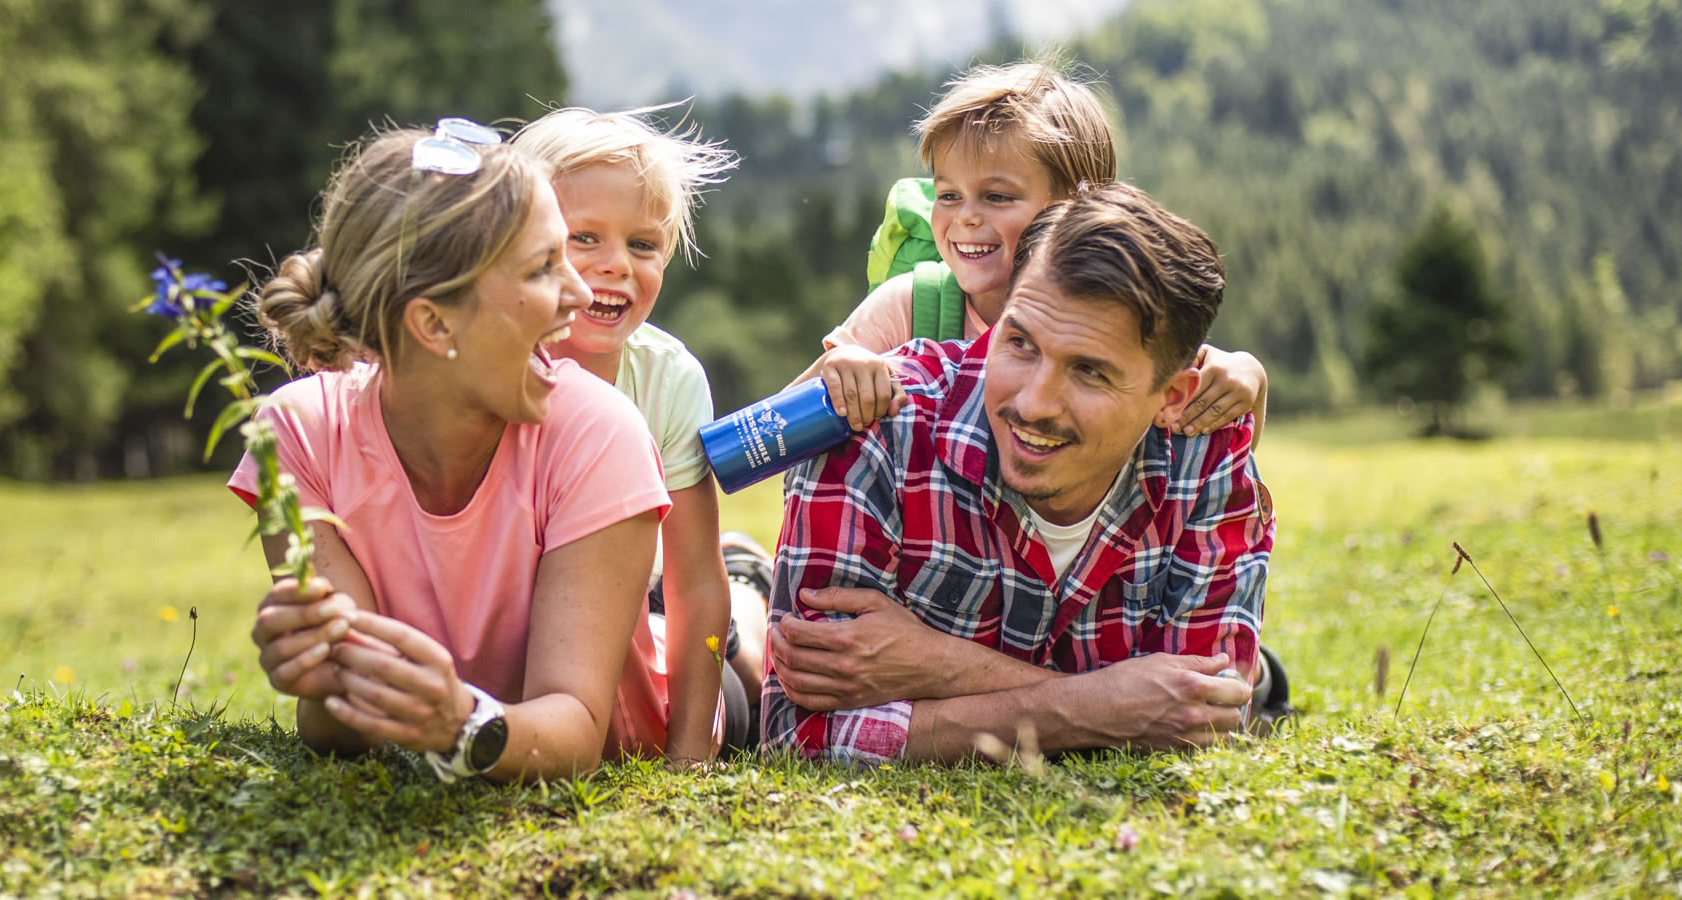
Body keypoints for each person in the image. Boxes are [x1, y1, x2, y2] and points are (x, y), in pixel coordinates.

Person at [762, 182, 1290, 762]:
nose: (1035, 402)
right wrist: (1104, 706)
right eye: (1019, 343)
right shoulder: (875, 425)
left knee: (1250, 685)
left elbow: (1200, 718)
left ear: (1172, 396)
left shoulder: (1206, 449)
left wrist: (939, 665)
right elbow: (798, 736)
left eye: (1089, 372)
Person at [232, 122, 680, 782]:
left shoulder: (601, 432)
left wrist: (459, 722)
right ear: (434, 324)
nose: (580, 294)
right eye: (542, 268)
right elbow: (345, 715)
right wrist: (323, 680)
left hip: (644, 711)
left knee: (740, 671)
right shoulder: (299, 437)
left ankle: (744, 596)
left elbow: (578, 730)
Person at [796, 60, 1269, 440]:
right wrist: (838, 373)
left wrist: (1249, 377)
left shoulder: (1118, 318)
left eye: (997, 196)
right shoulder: (906, 307)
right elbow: (766, 433)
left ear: (1077, 205)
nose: (965, 217)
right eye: (948, 195)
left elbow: (1218, 455)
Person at [511, 106, 771, 760]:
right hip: (582, 614)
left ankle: (752, 590)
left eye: (643, 245)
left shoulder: (668, 379)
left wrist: (689, 755)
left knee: (744, 692)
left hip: (647, 613)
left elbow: (693, 582)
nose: (616, 265)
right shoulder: (491, 367)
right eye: (584, 238)